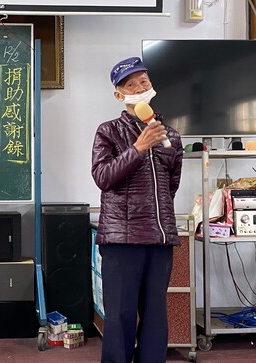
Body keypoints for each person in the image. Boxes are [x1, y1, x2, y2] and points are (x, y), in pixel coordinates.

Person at [91, 56, 183, 363]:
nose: (140, 87)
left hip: (159, 238)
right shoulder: (108, 131)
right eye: (131, 84)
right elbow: (103, 177)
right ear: (119, 95)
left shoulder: (171, 136)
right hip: (122, 241)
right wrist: (138, 148)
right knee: (119, 316)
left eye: (144, 81)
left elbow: (171, 186)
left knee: (156, 317)